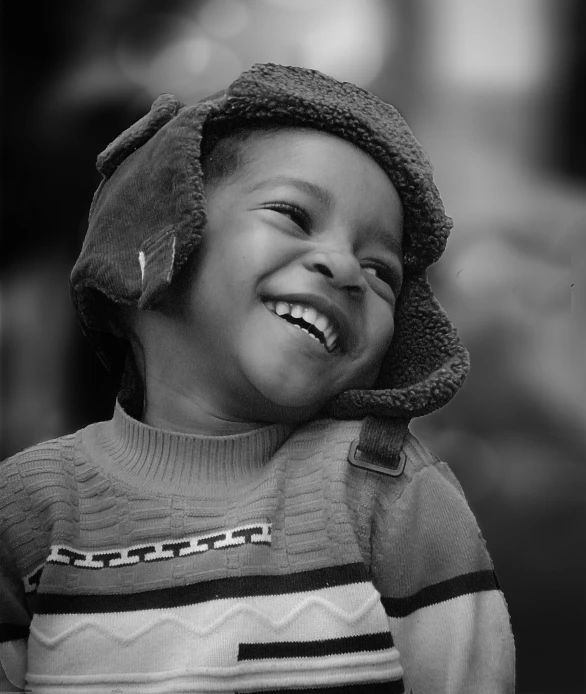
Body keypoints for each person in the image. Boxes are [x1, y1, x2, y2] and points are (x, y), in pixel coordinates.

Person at [0, 63, 515, 693]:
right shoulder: (27, 513)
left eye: (382, 271)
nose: (346, 267)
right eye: (294, 215)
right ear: (157, 241)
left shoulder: (389, 493)